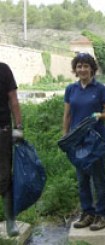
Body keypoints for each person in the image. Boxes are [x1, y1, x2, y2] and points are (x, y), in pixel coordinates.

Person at [63, 53, 105, 231]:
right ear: (75, 70)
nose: (82, 69)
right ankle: (87, 213)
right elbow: (67, 115)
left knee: (98, 179)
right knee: (82, 179)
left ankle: (102, 215)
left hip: (96, 141)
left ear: (92, 69)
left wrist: (99, 115)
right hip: (78, 141)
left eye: (86, 66)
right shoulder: (71, 89)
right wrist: (65, 136)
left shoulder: (100, 89)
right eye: (79, 66)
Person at [0, 62, 23, 237]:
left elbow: (13, 98)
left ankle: (10, 221)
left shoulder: (4, 69)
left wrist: (19, 126)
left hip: (3, 130)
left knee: (5, 175)